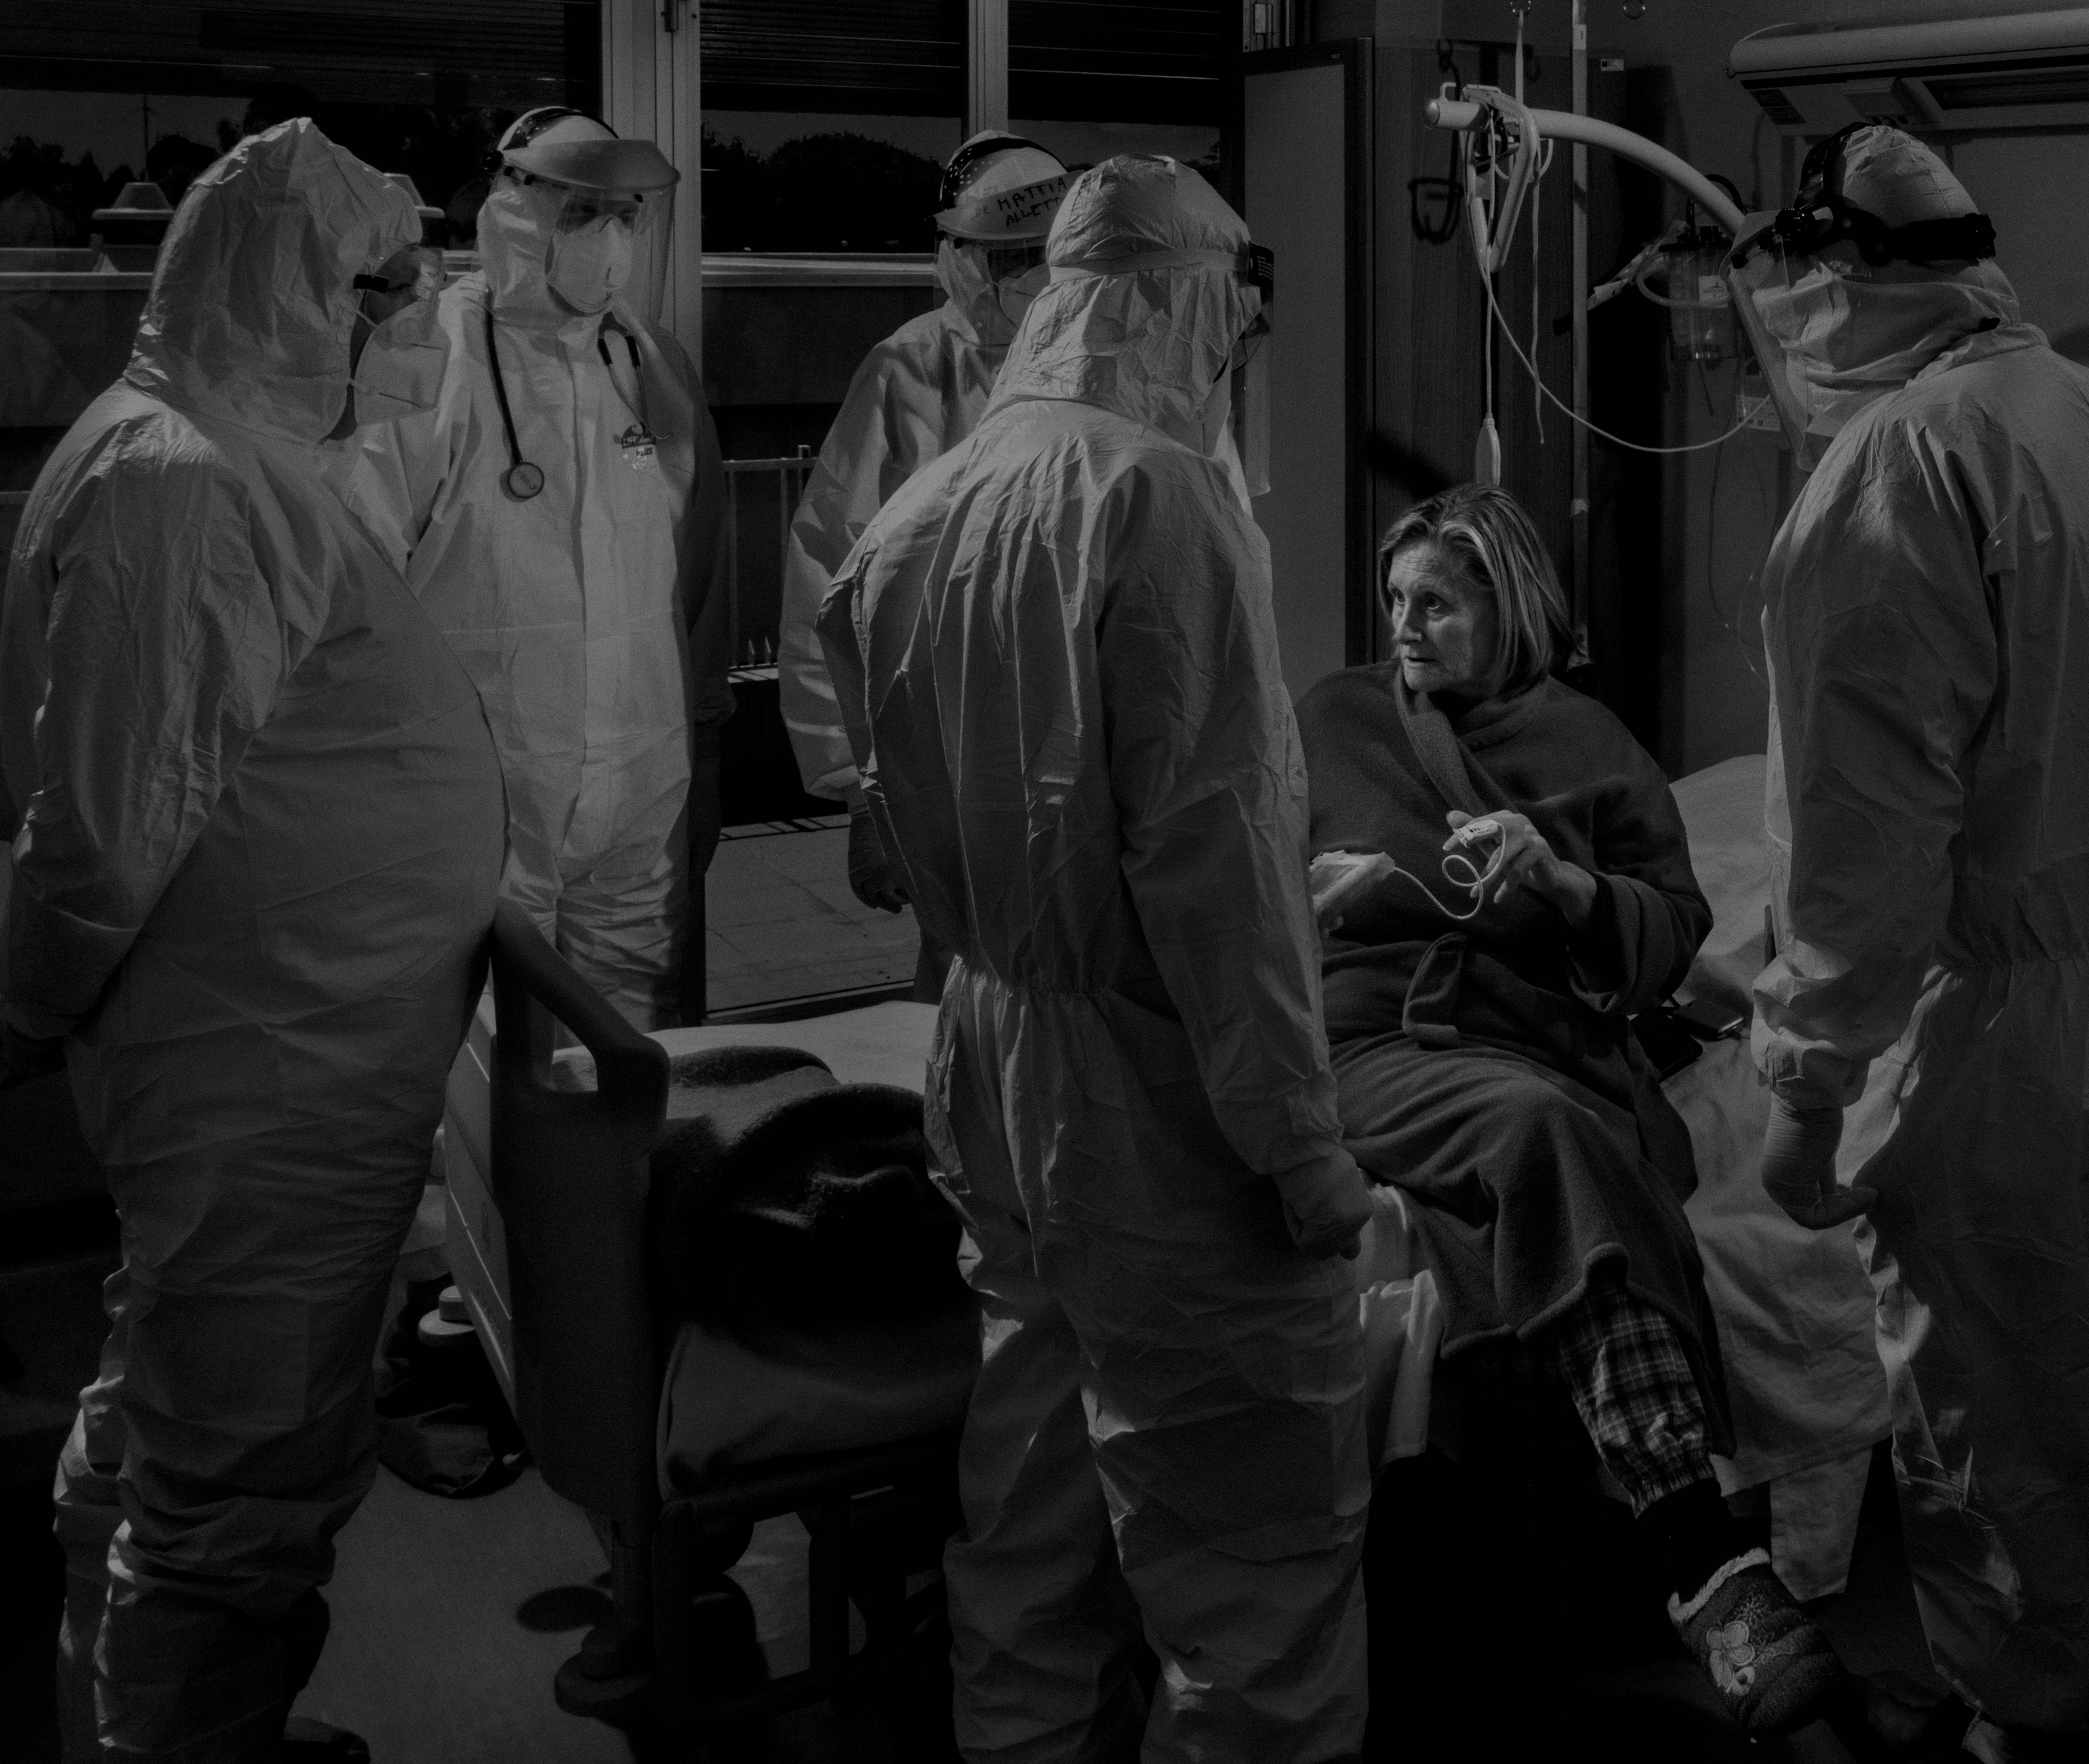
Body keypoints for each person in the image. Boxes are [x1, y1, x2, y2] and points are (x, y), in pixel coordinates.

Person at [0, 118, 508, 1762]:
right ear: (280, 290)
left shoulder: (208, 455)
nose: (395, 326)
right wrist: (28, 991)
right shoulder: (185, 481)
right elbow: (110, 822)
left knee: (167, 1417)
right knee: (234, 1481)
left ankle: (137, 1718)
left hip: (278, 1045)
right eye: (370, 292)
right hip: (272, 1068)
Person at [817, 156, 1372, 1761]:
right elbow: (1224, 879)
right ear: (1182, 300)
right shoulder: (1163, 499)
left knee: (1031, 1516)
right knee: (1253, 1563)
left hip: (989, 1052)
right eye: (1228, 324)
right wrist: (1304, 1153)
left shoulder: (925, 507)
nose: (1230, 359)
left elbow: (876, 846)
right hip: (1154, 1094)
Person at [1733, 123, 2089, 1763]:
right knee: (2087, 1420)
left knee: (2003, 1454)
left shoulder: (1897, 468)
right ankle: (2075, 1692)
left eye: (1780, 294)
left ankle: (2035, 1730)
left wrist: (1807, 1099)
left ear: (1831, 281)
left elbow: (1863, 842)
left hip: (2016, 1045)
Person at [1298, 484, 1850, 1742]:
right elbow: (1232, 884)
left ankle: (1637, 1561)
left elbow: (1668, 944)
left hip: (1525, 1042)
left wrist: (1559, 883)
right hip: (1369, 1043)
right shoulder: (1331, 717)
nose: (1407, 627)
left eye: (1436, 601)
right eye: (1396, 601)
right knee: (1545, 1134)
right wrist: (1311, 896)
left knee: (1560, 1123)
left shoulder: (1594, 746)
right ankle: (1698, 1550)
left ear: (1509, 604)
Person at [329, 106, 729, 1028]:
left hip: (639, 774)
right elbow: (353, 580)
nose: (612, 240)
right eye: (584, 213)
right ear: (514, 211)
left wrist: (702, 742)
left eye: (627, 215)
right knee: (480, 1046)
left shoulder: (645, 360)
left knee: (628, 1043)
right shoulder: (426, 355)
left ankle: (613, 1176)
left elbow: (691, 569)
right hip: (481, 789)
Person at [779, 131, 1071, 989]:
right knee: (964, 996)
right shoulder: (911, 371)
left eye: (1037, 255)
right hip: (951, 764)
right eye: (1002, 257)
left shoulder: (1113, 360)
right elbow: (828, 577)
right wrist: (859, 786)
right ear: (956, 258)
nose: (1022, 279)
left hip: (1088, 750)